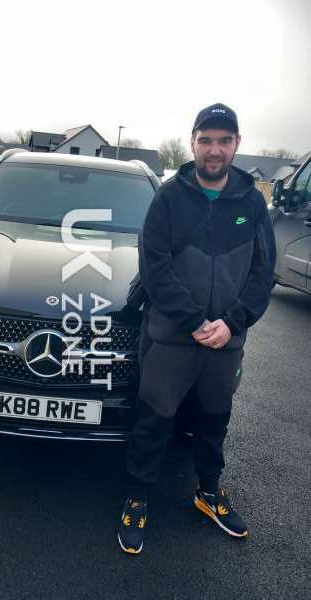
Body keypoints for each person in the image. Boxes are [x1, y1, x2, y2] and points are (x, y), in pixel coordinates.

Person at [117, 103, 276, 554]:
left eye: (224, 140)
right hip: (171, 337)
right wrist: (194, 321)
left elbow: (263, 273)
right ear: (192, 144)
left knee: (213, 423)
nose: (214, 150)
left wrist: (231, 323)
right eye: (206, 140)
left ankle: (208, 492)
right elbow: (155, 267)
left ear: (237, 144)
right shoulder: (169, 197)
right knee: (153, 423)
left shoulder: (252, 203)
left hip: (225, 341)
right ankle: (136, 498)